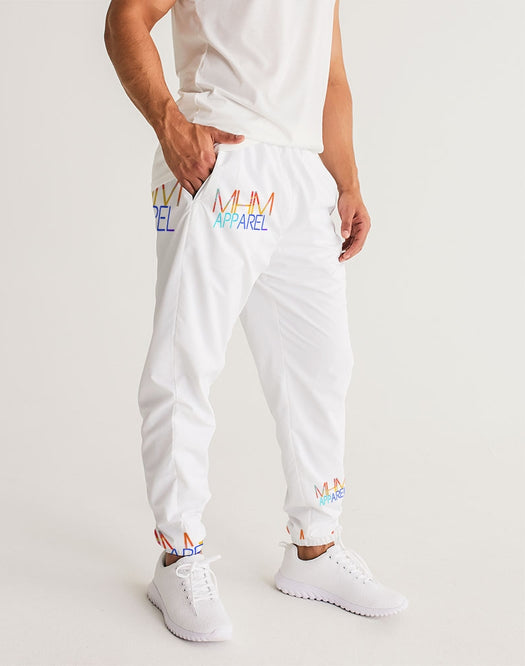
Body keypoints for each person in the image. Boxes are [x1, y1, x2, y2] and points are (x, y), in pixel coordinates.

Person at [104, 0, 408, 642]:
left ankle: (315, 547)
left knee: (322, 367)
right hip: (220, 157)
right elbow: (127, 16)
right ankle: (179, 555)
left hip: (303, 172)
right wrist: (170, 123)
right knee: (186, 361)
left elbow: (330, 75)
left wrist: (347, 180)